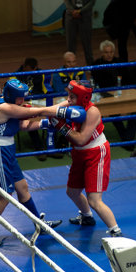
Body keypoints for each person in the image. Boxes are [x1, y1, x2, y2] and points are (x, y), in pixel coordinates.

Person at [0, 79, 64, 246]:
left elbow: (24, 125)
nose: (22, 102)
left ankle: (39, 224)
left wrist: (46, 123)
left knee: (22, 187)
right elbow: (40, 110)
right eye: (20, 99)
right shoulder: (4, 107)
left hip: (7, 150)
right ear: (11, 96)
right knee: (5, 196)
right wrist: (60, 111)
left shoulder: (12, 104)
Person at [41, 80, 122, 237]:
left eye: (72, 96)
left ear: (83, 98)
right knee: (72, 191)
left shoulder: (92, 112)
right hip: (79, 153)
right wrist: (31, 111)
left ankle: (116, 233)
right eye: (68, 95)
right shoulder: (71, 103)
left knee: (95, 200)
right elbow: (48, 110)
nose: (68, 99)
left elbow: (80, 139)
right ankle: (87, 217)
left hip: (95, 153)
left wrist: (61, 125)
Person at [92, 40, 136, 150]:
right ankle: (128, 140)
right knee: (112, 111)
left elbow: (127, 79)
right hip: (105, 95)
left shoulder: (120, 62)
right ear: (102, 53)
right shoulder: (96, 64)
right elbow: (99, 82)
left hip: (122, 93)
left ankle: (127, 138)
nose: (109, 55)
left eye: (111, 52)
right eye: (106, 52)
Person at [12, 58, 49, 161]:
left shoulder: (40, 73)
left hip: (38, 102)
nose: (33, 70)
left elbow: (45, 90)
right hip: (22, 104)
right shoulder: (15, 76)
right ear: (24, 66)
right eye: (31, 68)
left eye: (35, 68)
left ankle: (54, 146)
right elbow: (13, 94)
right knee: (29, 119)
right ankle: (39, 147)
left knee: (53, 114)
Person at [64, 0, 97, 65]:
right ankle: (70, 67)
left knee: (87, 43)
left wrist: (80, 11)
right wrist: (73, 11)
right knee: (70, 43)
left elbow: (92, 1)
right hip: (71, 17)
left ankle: (90, 67)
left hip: (85, 17)